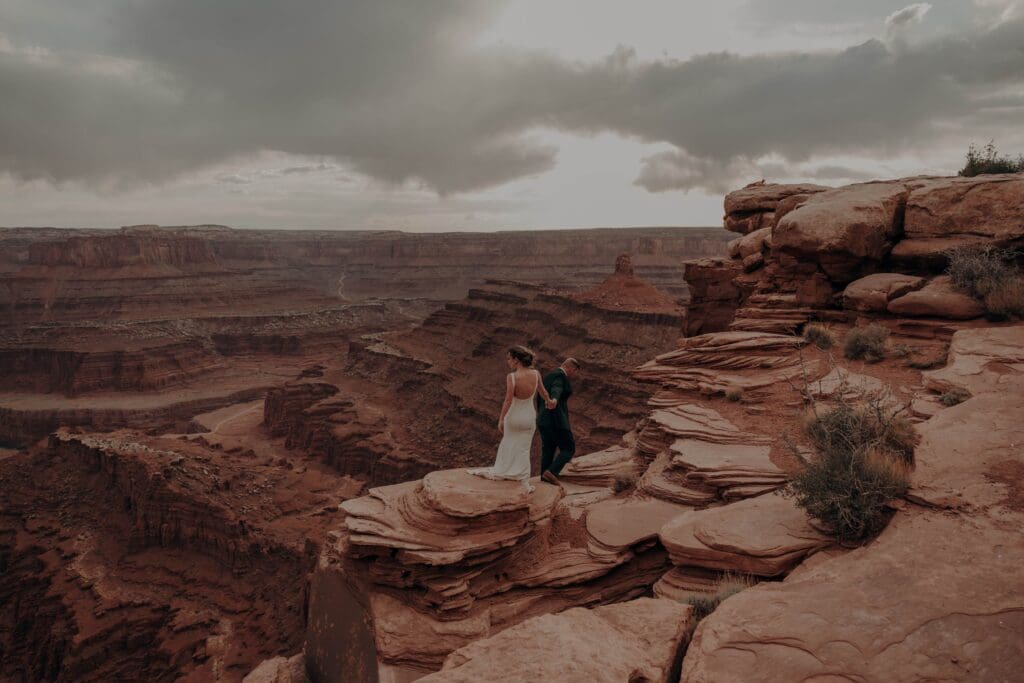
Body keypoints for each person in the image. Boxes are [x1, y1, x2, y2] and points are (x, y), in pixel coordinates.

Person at [467, 346, 555, 492]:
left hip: (513, 418)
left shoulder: (512, 377)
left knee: (508, 444)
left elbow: (508, 401)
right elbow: (543, 392)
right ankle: (524, 482)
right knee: (524, 449)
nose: (508, 361)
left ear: (516, 360)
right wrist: (550, 402)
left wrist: (501, 419)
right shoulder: (536, 374)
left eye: (509, 358)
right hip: (528, 418)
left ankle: (505, 470)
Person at [536, 357, 581, 487]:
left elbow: (541, 395)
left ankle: (544, 476)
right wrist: (554, 400)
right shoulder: (560, 376)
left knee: (548, 449)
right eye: (576, 372)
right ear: (571, 368)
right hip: (556, 420)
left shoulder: (548, 376)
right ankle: (551, 472)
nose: (575, 375)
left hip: (543, 420)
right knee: (568, 448)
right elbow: (557, 389)